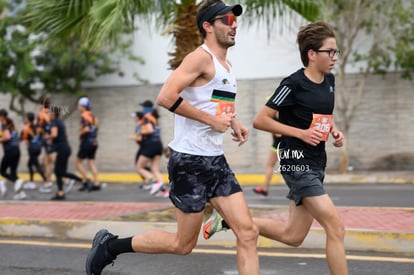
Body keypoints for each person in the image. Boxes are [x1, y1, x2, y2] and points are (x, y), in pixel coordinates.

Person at [85, 1, 260, 275]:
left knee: (248, 232)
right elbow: (166, 97)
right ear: (208, 26)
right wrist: (213, 121)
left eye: (235, 19)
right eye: (226, 19)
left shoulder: (226, 64)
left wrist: (233, 121)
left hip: (215, 162)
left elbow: (215, 102)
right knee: (182, 244)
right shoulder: (199, 58)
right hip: (189, 162)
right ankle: (110, 247)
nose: (234, 24)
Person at [203, 22, 349, 275]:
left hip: (316, 163)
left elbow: (321, 115)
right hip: (296, 163)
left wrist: (333, 130)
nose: (335, 57)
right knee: (335, 228)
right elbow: (262, 119)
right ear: (312, 54)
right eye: (330, 52)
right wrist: (301, 133)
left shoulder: (330, 81)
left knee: (293, 236)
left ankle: (229, 221)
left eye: (336, 52)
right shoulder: (293, 84)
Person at [43, 102, 85, 200]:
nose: (48, 114)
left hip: (62, 150)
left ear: (53, 113)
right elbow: (64, 135)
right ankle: (61, 192)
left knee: (59, 172)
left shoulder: (54, 123)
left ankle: (83, 181)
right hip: (64, 149)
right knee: (60, 172)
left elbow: (54, 134)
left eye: (49, 112)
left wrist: (47, 137)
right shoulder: (59, 122)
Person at [135, 100, 167, 196]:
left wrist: (140, 132)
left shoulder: (146, 118)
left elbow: (150, 130)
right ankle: (164, 191)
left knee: (139, 167)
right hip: (158, 145)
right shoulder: (154, 117)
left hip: (150, 145)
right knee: (155, 169)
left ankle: (155, 183)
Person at [252, 114, 282, 197]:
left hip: (278, 145)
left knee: (270, 166)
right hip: (281, 144)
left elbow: (278, 134)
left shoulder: (275, 116)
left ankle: (265, 188)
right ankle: (264, 187)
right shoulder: (284, 115)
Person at [0, 109, 26, 200]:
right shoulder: (12, 124)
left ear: (2, 117)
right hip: (16, 150)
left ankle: (18, 181)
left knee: (2, 171)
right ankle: (21, 193)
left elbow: (7, 137)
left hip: (10, 151)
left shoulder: (4, 125)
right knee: (13, 172)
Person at [76, 97, 99, 192]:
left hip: (86, 142)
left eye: (79, 105)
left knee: (78, 162)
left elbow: (86, 129)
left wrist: (80, 133)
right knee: (91, 162)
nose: (78, 107)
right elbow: (96, 130)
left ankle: (86, 181)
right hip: (94, 141)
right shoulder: (94, 116)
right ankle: (96, 182)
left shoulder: (84, 116)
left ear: (83, 106)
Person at [20, 112, 47, 189]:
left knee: (36, 165)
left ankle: (46, 181)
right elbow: (43, 134)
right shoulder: (38, 127)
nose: (25, 119)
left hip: (32, 149)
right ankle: (32, 181)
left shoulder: (26, 128)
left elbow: (21, 138)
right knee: (30, 164)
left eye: (25, 117)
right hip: (38, 148)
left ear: (28, 119)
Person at [36, 95, 55, 193]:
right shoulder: (51, 112)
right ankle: (48, 182)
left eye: (38, 104)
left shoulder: (41, 114)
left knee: (49, 161)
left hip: (47, 140)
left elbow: (39, 129)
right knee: (46, 161)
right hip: (52, 139)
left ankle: (65, 178)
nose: (38, 106)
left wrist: (38, 133)